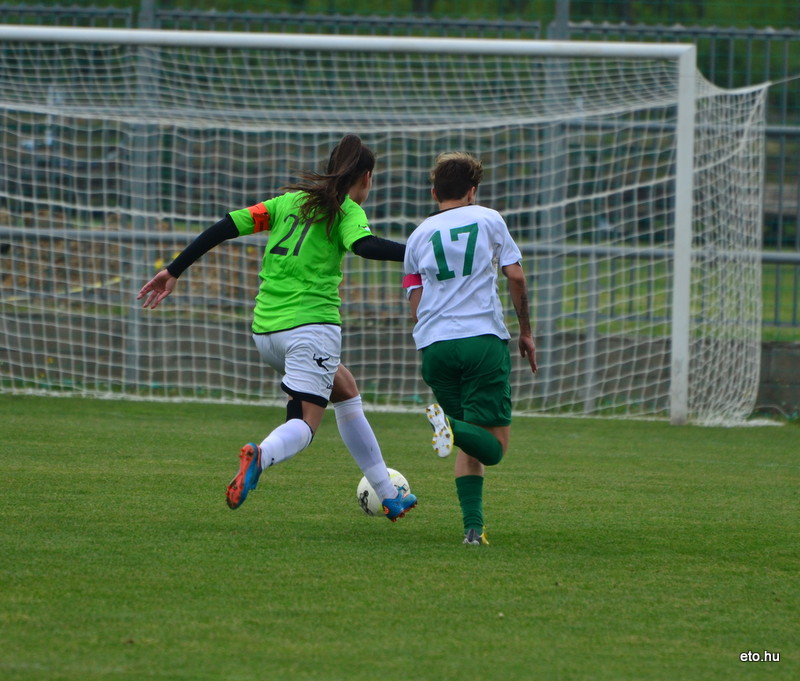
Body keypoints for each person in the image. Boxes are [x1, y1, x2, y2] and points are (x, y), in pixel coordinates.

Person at [138, 134, 417, 522]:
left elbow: (227, 225)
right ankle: (261, 456)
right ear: (367, 177)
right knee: (304, 424)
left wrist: (174, 269)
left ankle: (389, 495)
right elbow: (364, 246)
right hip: (310, 329)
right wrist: (417, 251)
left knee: (345, 388)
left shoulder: (288, 202)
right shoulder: (347, 210)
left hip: (266, 332)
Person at [402, 151, 536, 545]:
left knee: (467, 443)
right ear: (472, 191)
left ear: (434, 193)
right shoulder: (489, 219)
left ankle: (473, 531)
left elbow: (414, 301)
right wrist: (526, 331)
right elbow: (516, 277)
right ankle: (448, 425)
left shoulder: (418, 235)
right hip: (481, 341)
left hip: (436, 348)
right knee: (493, 448)